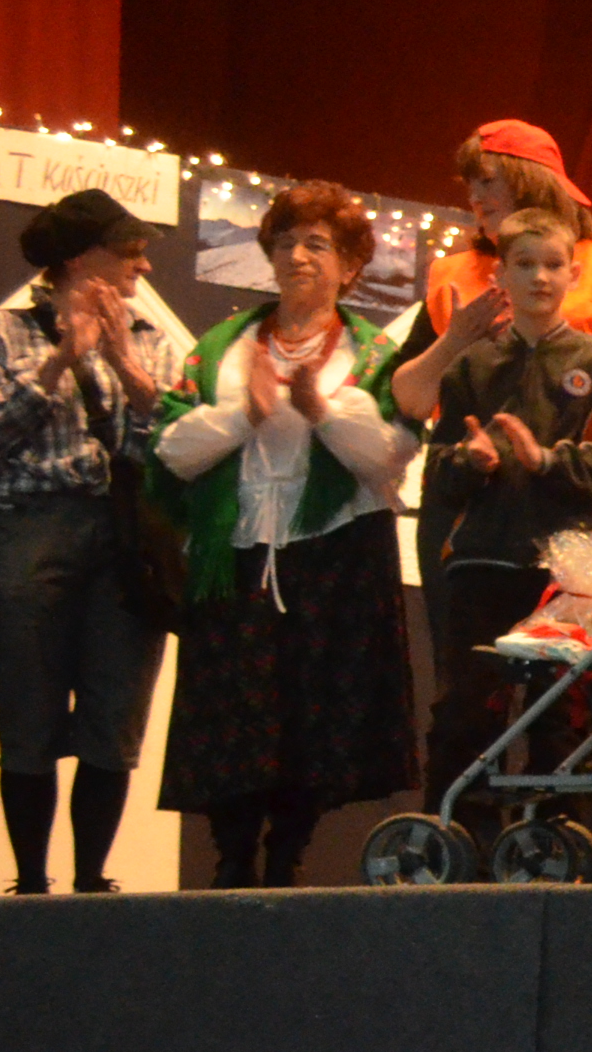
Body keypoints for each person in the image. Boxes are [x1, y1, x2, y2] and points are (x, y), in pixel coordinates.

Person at [150, 182, 416, 886]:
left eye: (317, 245)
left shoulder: (372, 353)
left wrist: (320, 411)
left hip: (334, 556)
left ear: (350, 266)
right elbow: (172, 449)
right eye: (286, 242)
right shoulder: (222, 347)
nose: (298, 256)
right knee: (232, 713)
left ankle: (286, 861)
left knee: (312, 717)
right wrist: (246, 414)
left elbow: (387, 460)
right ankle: (232, 860)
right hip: (238, 552)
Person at [0, 188, 183, 892]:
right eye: (128, 251)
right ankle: (31, 885)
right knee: (26, 714)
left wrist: (122, 361)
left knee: (115, 716)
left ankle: (92, 884)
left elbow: (171, 446)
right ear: (76, 259)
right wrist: (61, 360)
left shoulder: (152, 339)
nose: (143, 265)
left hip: (125, 533)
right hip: (27, 528)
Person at [415, 207, 592, 819]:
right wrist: (469, 463)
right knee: (466, 714)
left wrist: (549, 461)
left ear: (574, 274)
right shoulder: (471, 366)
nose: (540, 277)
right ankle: (455, 842)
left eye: (552, 265)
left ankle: (557, 843)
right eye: (524, 264)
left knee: (565, 719)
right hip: (483, 565)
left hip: (572, 573)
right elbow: (437, 473)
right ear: (500, 275)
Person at [385, 119, 592, 438]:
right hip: (470, 461)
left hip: (575, 461)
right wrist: (454, 342)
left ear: (531, 182)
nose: (475, 197)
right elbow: (409, 403)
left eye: (487, 181)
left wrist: (588, 363)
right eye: (470, 185)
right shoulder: (452, 274)